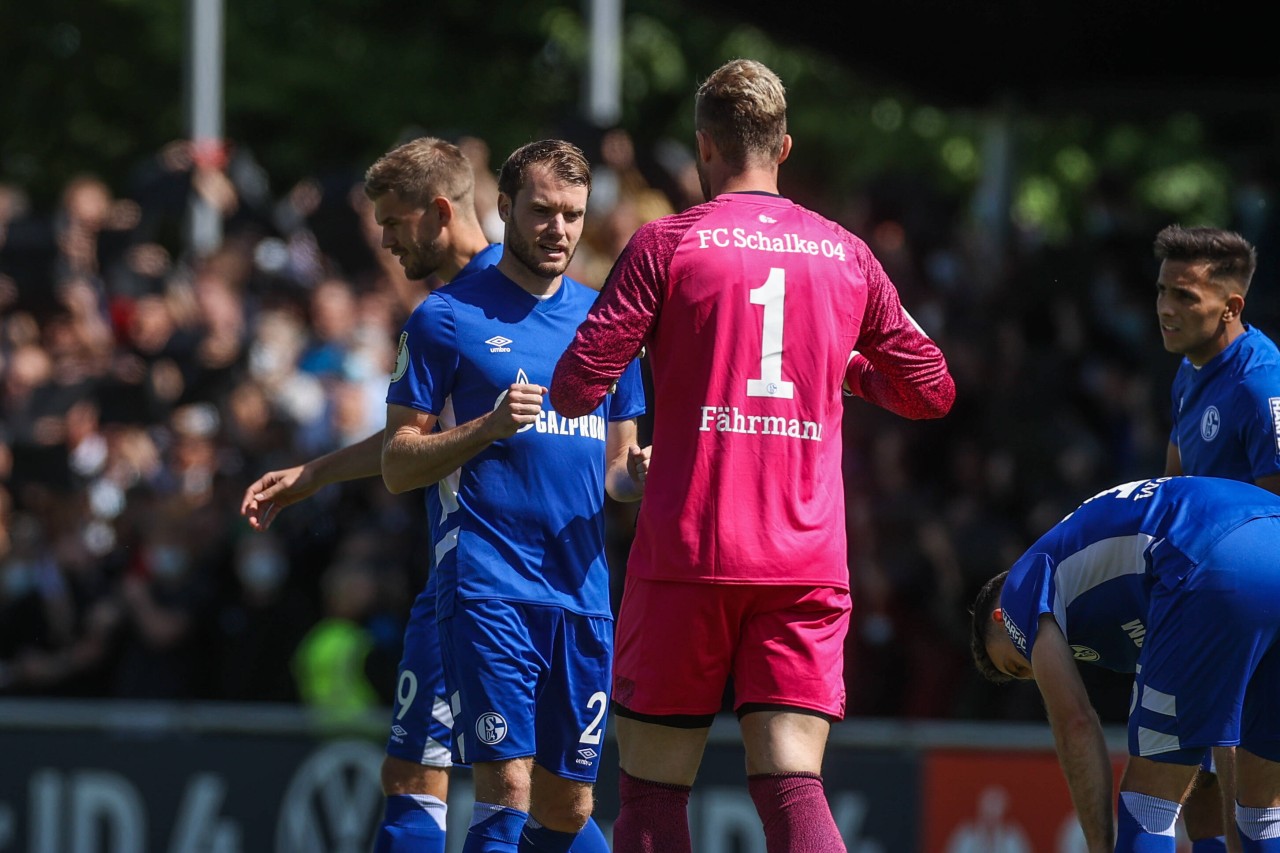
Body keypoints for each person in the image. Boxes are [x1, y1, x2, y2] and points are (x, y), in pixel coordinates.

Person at [550, 58, 955, 853]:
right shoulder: (845, 252)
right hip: (804, 561)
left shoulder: (667, 243)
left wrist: (668, 350)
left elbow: (574, 386)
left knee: (653, 799)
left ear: (705, 147)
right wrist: (836, 363)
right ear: (785, 146)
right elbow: (931, 388)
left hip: (690, 549)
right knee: (793, 790)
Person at [241, 137, 619, 853]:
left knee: (528, 797)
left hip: (509, 577)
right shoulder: (450, 310)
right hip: (472, 579)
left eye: (392, 223)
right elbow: (411, 440)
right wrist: (315, 474)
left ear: (439, 213)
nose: (384, 242)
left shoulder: (494, 301)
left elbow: (477, 435)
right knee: (416, 774)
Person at [381, 137, 646, 853]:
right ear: (503, 208)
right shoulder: (445, 318)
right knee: (507, 790)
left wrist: (642, 477)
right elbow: (398, 462)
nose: (557, 229)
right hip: (489, 586)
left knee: (569, 806)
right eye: (541, 211)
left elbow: (619, 470)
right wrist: (487, 428)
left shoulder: (608, 324)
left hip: (582, 593)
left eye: (572, 214)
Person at [971, 475, 1280, 853]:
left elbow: (1076, 722)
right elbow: (1222, 729)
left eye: (1016, 665)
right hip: (1268, 529)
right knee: (1257, 808)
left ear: (1001, 618)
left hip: (1206, 554)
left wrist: (1101, 847)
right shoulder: (1110, 610)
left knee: (1148, 802)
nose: (1033, 673)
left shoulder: (1022, 584)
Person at [1155, 223, 1280, 852]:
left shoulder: (1262, 386)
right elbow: (1174, 483)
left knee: (1247, 806)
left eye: (1185, 296)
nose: (1166, 310)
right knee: (1195, 789)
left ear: (1231, 307)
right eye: (1162, 293)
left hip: (1253, 614)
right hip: (1200, 600)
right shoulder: (1189, 372)